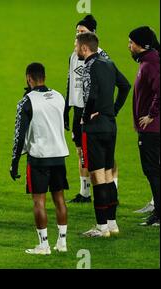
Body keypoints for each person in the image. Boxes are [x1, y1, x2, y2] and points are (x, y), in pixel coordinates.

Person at [75, 32, 131, 238]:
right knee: (108, 175)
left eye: (76, 45)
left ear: (84, 48)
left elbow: (93, 94)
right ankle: (112, 224)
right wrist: (113, 110)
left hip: (95, 128)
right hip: (110, 125)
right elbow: (125, 86)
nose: (75, 49)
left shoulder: (89, 66)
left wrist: (85, 115)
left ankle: (101, 228)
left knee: (97, 177)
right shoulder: (108, 63)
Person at [10, 63, 69, 255]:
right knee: (60, 199)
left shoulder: (27, 101)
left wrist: (14, 161)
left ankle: (43, 245)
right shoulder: (59, 96)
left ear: (29, 78)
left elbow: (19, 135)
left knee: (39, 202)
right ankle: (62, 242)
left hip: (38, 158)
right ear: (44, 76)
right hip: (59, 155)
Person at [64, 15, 119, 203]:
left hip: (96, 111)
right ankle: (85, 192)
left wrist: (110, 109)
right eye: (77, 31)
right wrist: (67, 109)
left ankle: (113, 190)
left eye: (83, 31)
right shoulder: (74, 55)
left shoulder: (102, 57)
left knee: (104, 154)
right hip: (79, 109)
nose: (79, 34)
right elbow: (71, 82)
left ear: (92, 34)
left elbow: (114, 83)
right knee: (81, 151)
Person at [128, 26, 160, 226]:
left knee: (152, 170)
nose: (129, 46)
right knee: (154, 170)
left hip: (152, 129)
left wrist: (150, 115)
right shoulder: (147, 61)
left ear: (141, 45)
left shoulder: (151, 63)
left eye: (131, 42)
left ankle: (158, 214)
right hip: (150, 128)